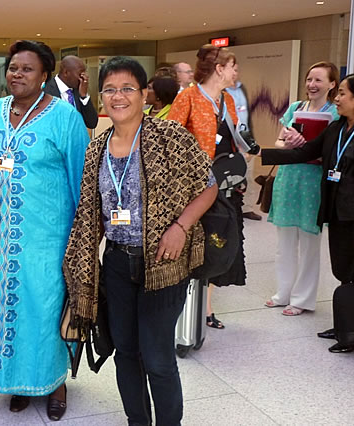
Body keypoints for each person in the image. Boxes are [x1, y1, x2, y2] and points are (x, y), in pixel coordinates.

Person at [63, 56, 217, 426]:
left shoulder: (169, 137)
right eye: (111, 90)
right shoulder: (95, 150)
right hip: (118, 263)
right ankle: (137, 421)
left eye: (127, 88)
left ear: (144, 94)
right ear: (101, 96)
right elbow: (91, 214)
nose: (119, 96)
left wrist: (180, 227)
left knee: (158, 356)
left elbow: (208, 187)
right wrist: (81, 265)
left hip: (163, 264)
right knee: (126, 353)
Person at [0, 40, 90, 421]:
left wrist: (84, 240)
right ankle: (16, 380)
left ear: (45, 76)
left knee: (45, 309)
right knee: (8, 308)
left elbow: (82, 181)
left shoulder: (65, 117)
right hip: (0, 239)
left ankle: (55, 383)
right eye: (13, 67)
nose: (17, 74)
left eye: (27, 68)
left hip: (48, 239)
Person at [261, 73, 354, 353]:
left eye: (342, 94)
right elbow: (306, 151)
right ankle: (344, 326)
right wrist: (261, 152)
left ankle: (349, 334)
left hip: (353, 209)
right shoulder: (337, 128)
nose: (336, 99)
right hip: (337, 208)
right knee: (343, 269)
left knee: (352, 270)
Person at [168, 44, 244, 330]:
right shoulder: (188, 97)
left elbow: (235, 138)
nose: (236, 72)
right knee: (193, 244)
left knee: (218, 242)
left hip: (224, 183)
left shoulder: (228, 101)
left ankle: (207, 308)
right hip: (193, 187)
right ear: (219, 68)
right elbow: (171, 141)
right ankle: (182, 309)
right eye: (233, 66)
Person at [264, 62, 339, 316]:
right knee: (284, 241)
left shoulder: (336, 116)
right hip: (288, 177)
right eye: (309, 79)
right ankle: (283, 292)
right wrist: (289, 143)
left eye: (318, 80)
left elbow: (330, 152)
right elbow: (278, 140)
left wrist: (308, 146)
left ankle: (302, 298)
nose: (312, 85)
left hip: (313, 181)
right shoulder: (295, 108)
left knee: (309, 243)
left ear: (332, 84)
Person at [225, 63, 262, 221]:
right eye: (232, 69)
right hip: (230, 142)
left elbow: (246, 117)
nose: (235, 73)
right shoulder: (220, 93)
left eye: (237, 69)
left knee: (247, 174)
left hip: (245, 138)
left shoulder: (241, 89)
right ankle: (230, 207)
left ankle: (246, 208)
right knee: (231, 177)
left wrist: (250, 142)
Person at [43, 55, 98, 129]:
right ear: (66, 73)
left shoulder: (78, 91)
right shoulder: (45, 90)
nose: (84, 77)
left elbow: (92, 123)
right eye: (80, 73)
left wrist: (84, 96)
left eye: (85, 73)